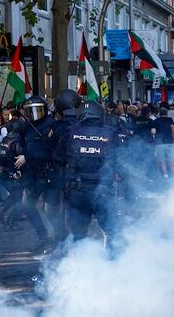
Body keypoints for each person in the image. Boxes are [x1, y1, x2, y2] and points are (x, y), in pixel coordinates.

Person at [54, 100, 118, 242]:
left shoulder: (71, 133)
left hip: (77, 190)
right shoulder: (110, 133)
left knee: (79, 233)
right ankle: (114, 261)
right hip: (102, 190)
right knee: (112, 230)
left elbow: (58, 158)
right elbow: (119, 160)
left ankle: (82, 261)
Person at [14, 96, 56, 248]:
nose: (35, 114)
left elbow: (51, 152)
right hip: (32, 174)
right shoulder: (26, 127)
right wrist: (20, 169)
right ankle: (43, 236)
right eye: (31, 111)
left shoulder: (52, 126)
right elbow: (21, 148)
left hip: (49, 173)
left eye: (38, 110)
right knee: (27, 205)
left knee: (50, 210)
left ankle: (58, 240)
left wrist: (28, 156)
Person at [151, 106, 174, 178]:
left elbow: (153, 132)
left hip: (159, 144)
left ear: (159, 113)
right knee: (171, 160)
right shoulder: (170, 119)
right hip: (170, 143)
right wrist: (173, 138)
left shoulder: (156, 121)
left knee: (162, 161)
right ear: (167, 113)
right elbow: (173, 130)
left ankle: (165, 175)